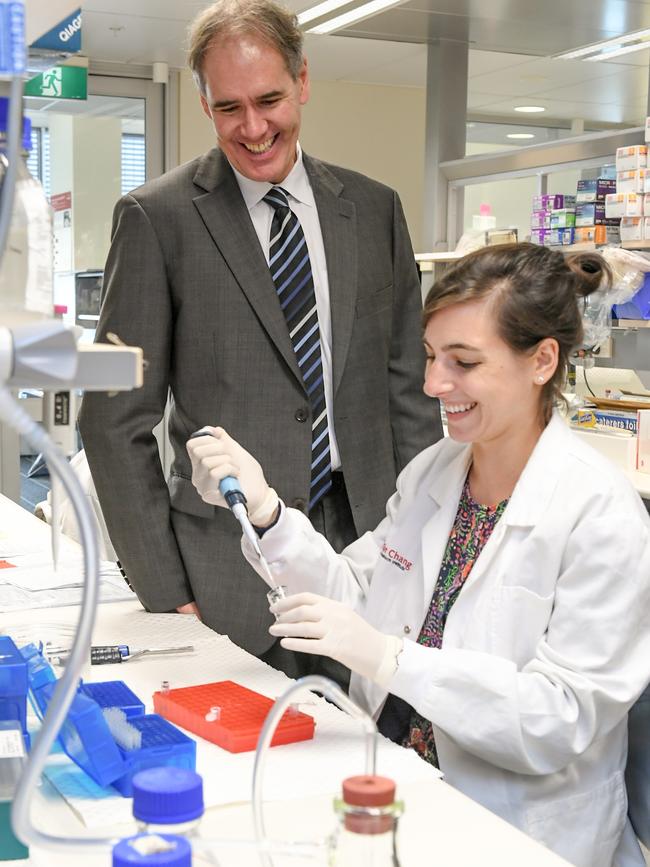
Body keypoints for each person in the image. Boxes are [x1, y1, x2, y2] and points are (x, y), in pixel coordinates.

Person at [187, 242, 650, 867]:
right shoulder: (437, 471)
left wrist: (389, 658)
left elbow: (558, 719)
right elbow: (358, 601)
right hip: (397, 785)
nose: (435, 384)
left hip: (515, 829)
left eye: (463, 362)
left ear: (542, 360)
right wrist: (266, 512)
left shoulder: (600, 512)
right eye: (432, 357)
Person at [77, 0, 441, 677]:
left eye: (270, 99)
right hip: (222, 569)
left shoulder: (372, 210)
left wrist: (423, 541)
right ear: (203, 100)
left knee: (365, 756)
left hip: (368, 547)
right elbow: (113, 416)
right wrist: (165, 587)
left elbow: (409, 393)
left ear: (303, 80)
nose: (252, 127)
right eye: (228, 108)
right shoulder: (158, 219)